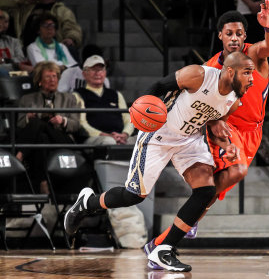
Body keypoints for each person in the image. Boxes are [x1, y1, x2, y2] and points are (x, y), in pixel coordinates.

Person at [64, 51, 255, 272]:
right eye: (247, 72)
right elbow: (158, 86)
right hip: (159, 135)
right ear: (230, 71)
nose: (251, 79)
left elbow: (212, 125)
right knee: (133, 195)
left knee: (206, 192)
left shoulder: (233, 101)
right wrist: (143, 111)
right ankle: (88, 203)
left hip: (189, 140)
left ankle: (163, 249)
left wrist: (226, 146)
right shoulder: (199, 75)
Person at [143, 0, 269, 271]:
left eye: (240, 33)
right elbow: (200, 103)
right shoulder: (210, 67)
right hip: (227, 128)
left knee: (222, 182)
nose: (235, 38)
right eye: (229, 33)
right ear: (220, 36)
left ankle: (165, 239)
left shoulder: (255, 55)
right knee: (237, 171)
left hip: (254, 131)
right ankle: (184, 225)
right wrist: (214, 122)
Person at [16, 61, 80, 193]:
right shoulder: (27, 99)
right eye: (48, 77)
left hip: (61, 138)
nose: (52, 80)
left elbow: (76, 125)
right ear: (39, 80)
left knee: (38, 125)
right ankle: (43, 182)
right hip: (40, 140)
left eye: (55, 76)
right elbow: (20, 124)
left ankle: (20, 155)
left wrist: (63, 121)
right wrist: (28, 117)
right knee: (41, 136)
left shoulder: (69, 98)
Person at [73, 55, 134, 145]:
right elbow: (82, 124)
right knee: (109, 142)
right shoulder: (78, 95)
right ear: (84, 74)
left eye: (101, 70)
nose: (97, 73)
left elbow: (128, 119)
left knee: (145, 140)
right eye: (93, 70)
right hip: (94, 138)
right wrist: (106, 135)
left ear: (105, 73)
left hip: (121, 137)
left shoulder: (116, 94)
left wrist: (124, 134)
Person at [0, 0, 82, 54]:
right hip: (25, 53)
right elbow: (2, 1)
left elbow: (72, 29)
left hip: (51, 54)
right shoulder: (24, 9)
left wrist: (71, 38)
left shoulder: (62, 11)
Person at [0, 9, 32, 76]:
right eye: (0, 20)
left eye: (6, 22)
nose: (2, 24)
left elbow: (21, 59)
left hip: (15, 73)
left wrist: (5, 60)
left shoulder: (14, 41)